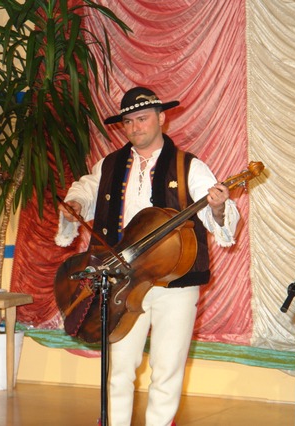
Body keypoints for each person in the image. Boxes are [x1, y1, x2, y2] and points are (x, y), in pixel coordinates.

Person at [55, 87, 240, 426]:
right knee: (120, 366)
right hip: (123, 282)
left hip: (176, 282)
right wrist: (76, 203)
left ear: (161, 118)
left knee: (167, 367)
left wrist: (217, 207)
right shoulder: (109, 165)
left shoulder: (189, 166)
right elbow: (85, 188)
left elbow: (217, 215)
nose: (134, 127)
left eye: (142, 119)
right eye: (128, 122)